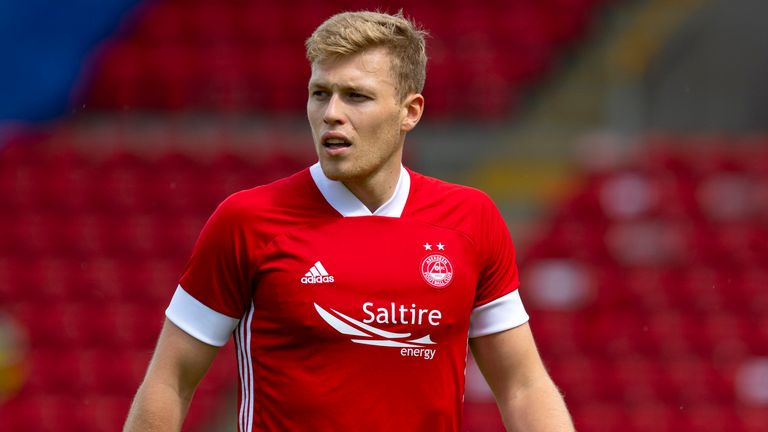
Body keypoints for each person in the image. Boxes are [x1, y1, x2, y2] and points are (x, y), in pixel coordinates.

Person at [123, 10, 574, 432]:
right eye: (320, 93)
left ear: (410, 112)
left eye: (356, 96)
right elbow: (171, 380)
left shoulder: (471, 220)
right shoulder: (247, 221)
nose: (331, 113)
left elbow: (523, 386)